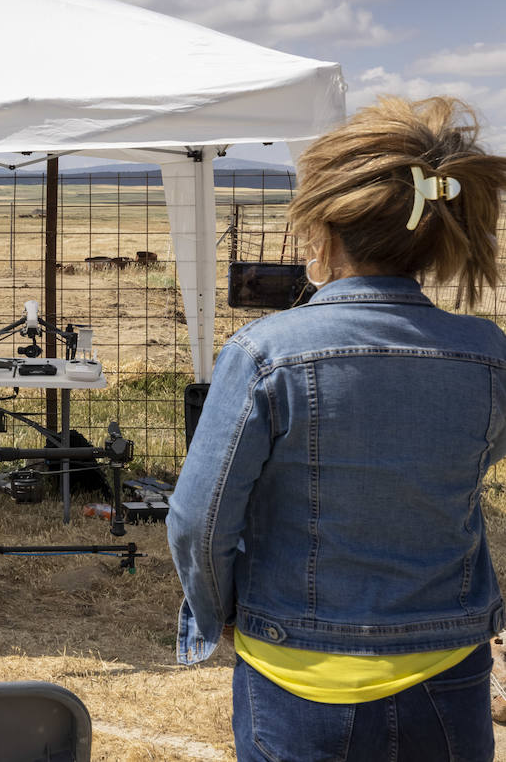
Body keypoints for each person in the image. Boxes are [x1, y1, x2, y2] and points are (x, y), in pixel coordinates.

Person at [168, 95, 506, 762]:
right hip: (451, 669)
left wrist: (222, 615)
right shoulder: (488, 353)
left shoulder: (265, 354)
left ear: (325, 228)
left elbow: (198, 520)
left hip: (299, 673)